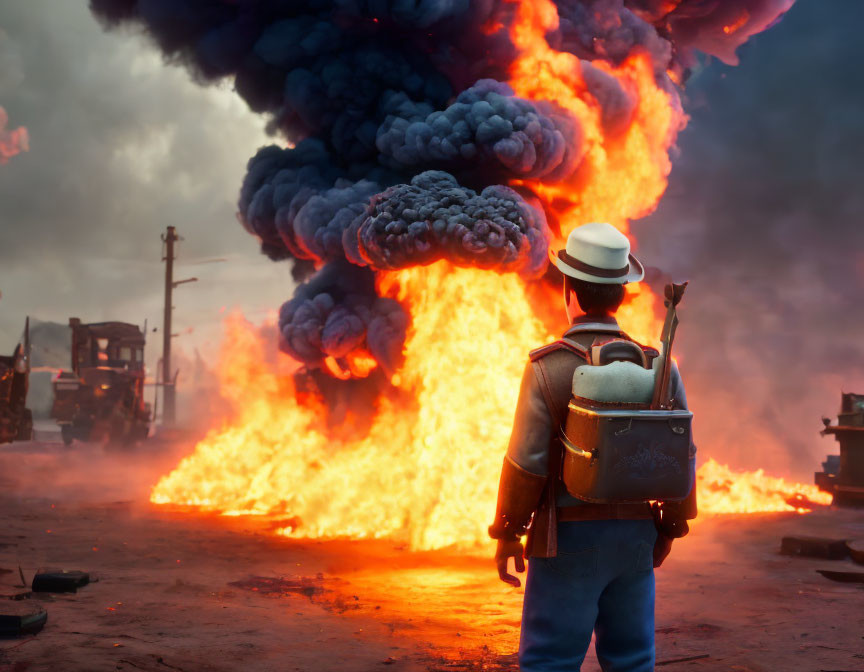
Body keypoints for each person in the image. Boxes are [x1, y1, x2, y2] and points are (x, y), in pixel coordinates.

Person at [488, 222, 697, 672]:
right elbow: (683, 455)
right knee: (632, 660)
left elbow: (527, 463)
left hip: (567, 537)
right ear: (622, 292)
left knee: (551, 659)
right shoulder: (659, 366)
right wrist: (670, 528)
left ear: (569, 290)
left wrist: (507, 530)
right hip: (636, 538)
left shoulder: (548, 367)